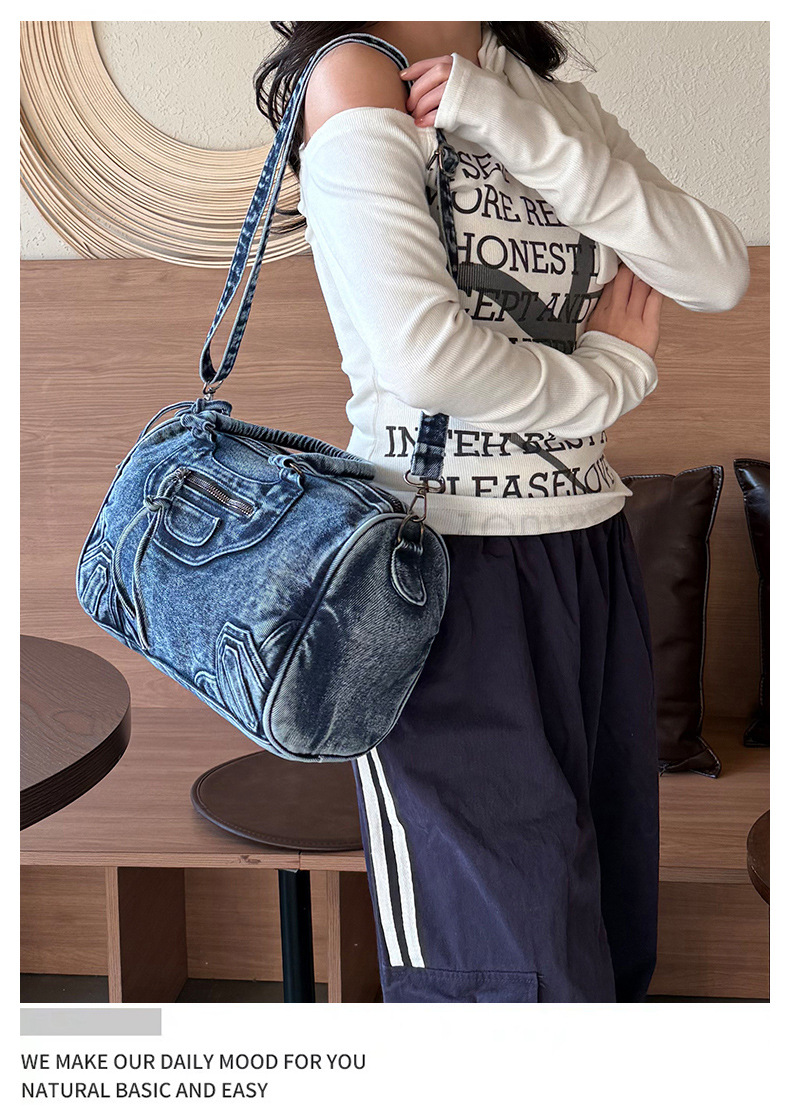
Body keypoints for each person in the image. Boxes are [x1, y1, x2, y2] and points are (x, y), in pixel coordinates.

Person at [256, 21, 750, 1003]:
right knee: (502, 973)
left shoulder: (544, 98)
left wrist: (510, 122)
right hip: (435, 578)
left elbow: (714, 270)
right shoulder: (354, 75)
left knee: (607, 935)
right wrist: (609, 377)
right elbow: (426, 361)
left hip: (589, 554)